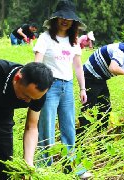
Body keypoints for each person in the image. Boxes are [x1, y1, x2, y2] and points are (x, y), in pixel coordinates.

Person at [33, 0, 91, 179]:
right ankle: (45, 168)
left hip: (67, 87)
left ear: (74, 22)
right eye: (62, 17)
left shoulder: (74, 42)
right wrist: (36, 85)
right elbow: (37, 62)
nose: (65, 21)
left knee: (69, 128)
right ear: (56, 18)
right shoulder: (45, 38)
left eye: (69, 18)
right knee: (47, 128)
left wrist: (82, 88)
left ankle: (74, 167)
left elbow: (78, 67)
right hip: (49, 87)